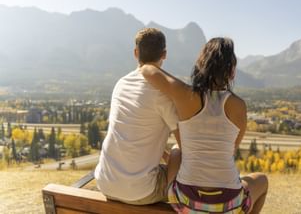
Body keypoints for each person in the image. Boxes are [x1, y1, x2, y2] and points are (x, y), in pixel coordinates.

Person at [141, 37, 268, 214]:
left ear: (200, 66)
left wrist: (176, 81)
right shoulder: (239, 106)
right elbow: (231, 149)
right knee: (262, 180)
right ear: (232, 72)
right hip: (230, 204)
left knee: (177, 150)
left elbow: (148, 69)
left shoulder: (184, 94)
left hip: (185, 202)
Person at [94, 28, 180, 205]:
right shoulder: (163, 93)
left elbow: (129, 133)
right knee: (178, 151)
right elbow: (186, 143)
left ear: (136, 53)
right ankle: (174, 198)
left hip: (105, 183)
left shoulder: (121, 84)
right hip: (141, 193)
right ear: (164, 54)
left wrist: (162, 155)